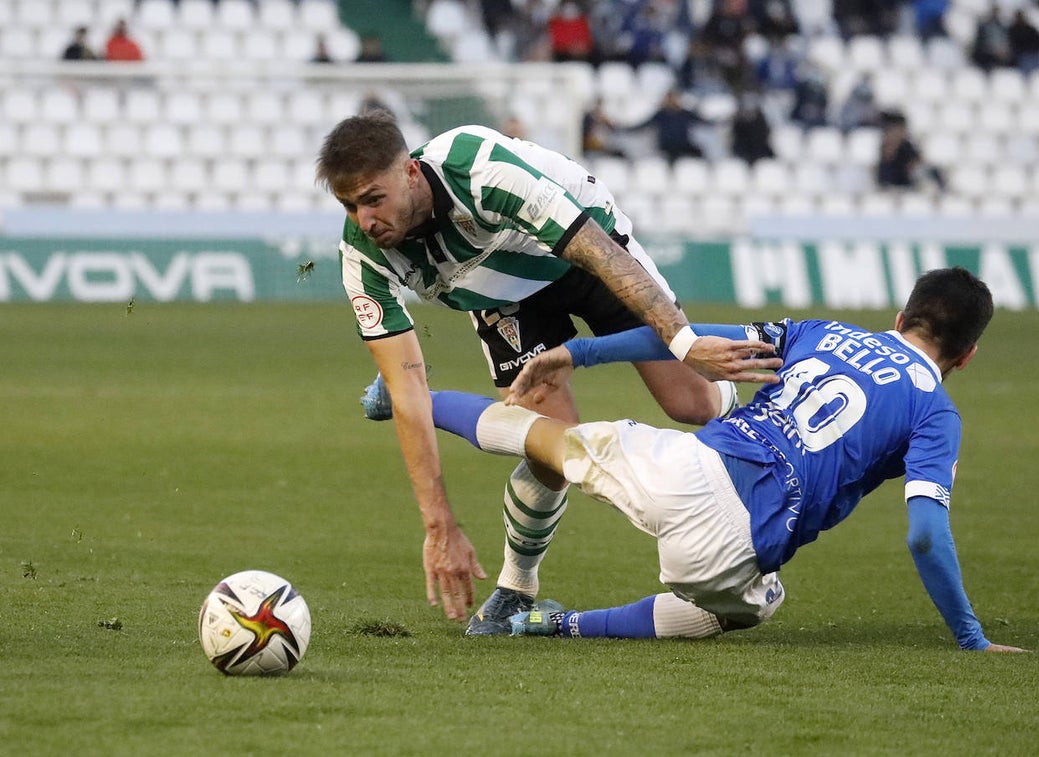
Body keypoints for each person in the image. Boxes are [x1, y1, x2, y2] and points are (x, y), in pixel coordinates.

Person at [427, 266, 1028, 653]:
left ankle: (409, 400)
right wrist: (970, 638)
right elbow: (925, 536)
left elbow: (686, 335)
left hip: (686, 465)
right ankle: (550, 626)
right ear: (968, 355)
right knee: (745, 610)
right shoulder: (937, 415)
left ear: (900, 318)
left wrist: (578, 353)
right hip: (735, 549)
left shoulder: (820, 332)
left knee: (546, 440)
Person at [316, 113, 759, 633]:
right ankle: (514, 591)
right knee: (554, 450)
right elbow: (409, 384)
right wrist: (439, 528)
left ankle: (752, 406)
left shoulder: (481, 172)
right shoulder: (362, 255)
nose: (365, 219)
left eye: (373, 199)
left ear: (411, 173)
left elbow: (594, 248)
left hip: (589, 255)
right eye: (350, 205)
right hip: (506, 302)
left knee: (693, 404)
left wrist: (685, 343)